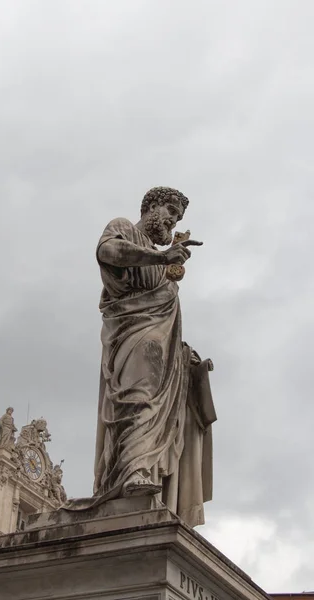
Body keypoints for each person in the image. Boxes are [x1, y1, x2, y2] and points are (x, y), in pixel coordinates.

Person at [91, 186, 216, 527]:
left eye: (177, 217)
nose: (173, 222)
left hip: (162, 352)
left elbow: (169, 327)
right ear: (152, 206)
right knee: (137, 398)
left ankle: (140, 472)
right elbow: (109, 251)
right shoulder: (124, 229)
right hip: (130, 333)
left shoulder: (163, 271)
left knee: (151, 405)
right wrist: (163, 257)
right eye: (171, 212)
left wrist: (188, 361)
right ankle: (132, 473)